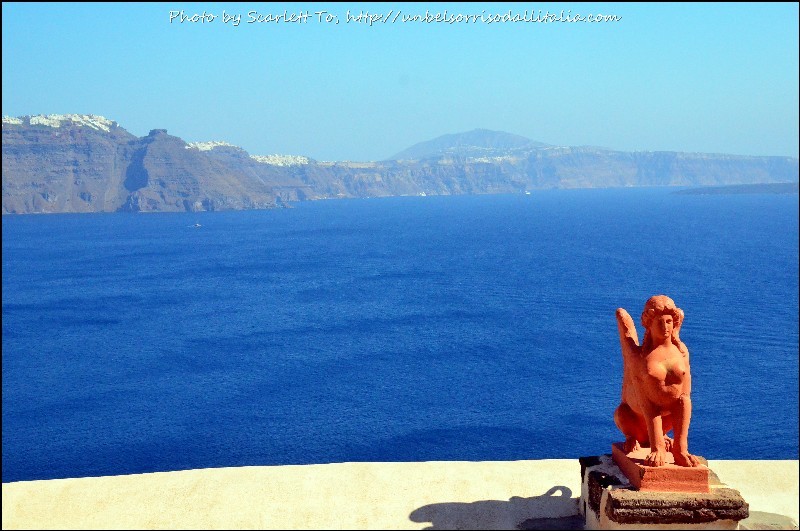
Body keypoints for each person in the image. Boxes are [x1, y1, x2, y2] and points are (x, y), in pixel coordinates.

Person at [613, 295, 702, 467]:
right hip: (636, 418)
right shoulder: (639, 358)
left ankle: (679, 449)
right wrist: (657, 448)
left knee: (683, 401)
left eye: (669, 321)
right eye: (659, 322)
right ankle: (636, 438)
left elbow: (685, 397)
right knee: (621, 414)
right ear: (649, 324)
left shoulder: (682, 352)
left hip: (666, 419)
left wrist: (681, 449)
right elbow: (647, 404)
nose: (665, 327)